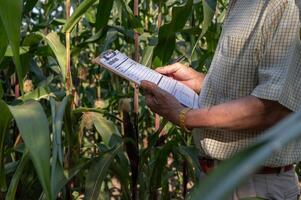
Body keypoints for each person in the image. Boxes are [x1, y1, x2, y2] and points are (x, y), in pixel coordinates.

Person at [141, 0, 301, 199]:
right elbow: (253, 84)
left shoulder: (282, 4)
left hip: (252, 186)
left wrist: (183, 116)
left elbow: (272, 108)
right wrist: (202, 83)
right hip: (219, 180)